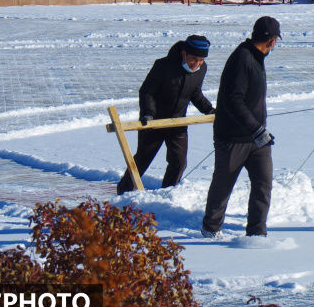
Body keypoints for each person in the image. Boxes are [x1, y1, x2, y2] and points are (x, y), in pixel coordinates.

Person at [201, 17, 281, 238]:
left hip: (257, 139)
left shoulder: (256, 57)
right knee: (222, 186)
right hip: (232, 138)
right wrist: (255, 128)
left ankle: (256, 234)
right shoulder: (242, 58)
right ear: (272, 41)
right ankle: (211, 229)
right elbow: (233, 100)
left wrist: (258, 130)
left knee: (263, 185)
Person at [116, 35, 214, 194]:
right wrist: (148, 113)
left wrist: (209, 109)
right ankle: (123, 190)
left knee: (179, 162)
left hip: (178, 123)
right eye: (193, 59)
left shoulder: (201, 69)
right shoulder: (163, 65)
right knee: (142, 160)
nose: (196, 64)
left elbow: (195, 93)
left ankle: (166, 193)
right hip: (154, 122)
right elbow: (147, 91)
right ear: (184, 53)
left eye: (200, 60)